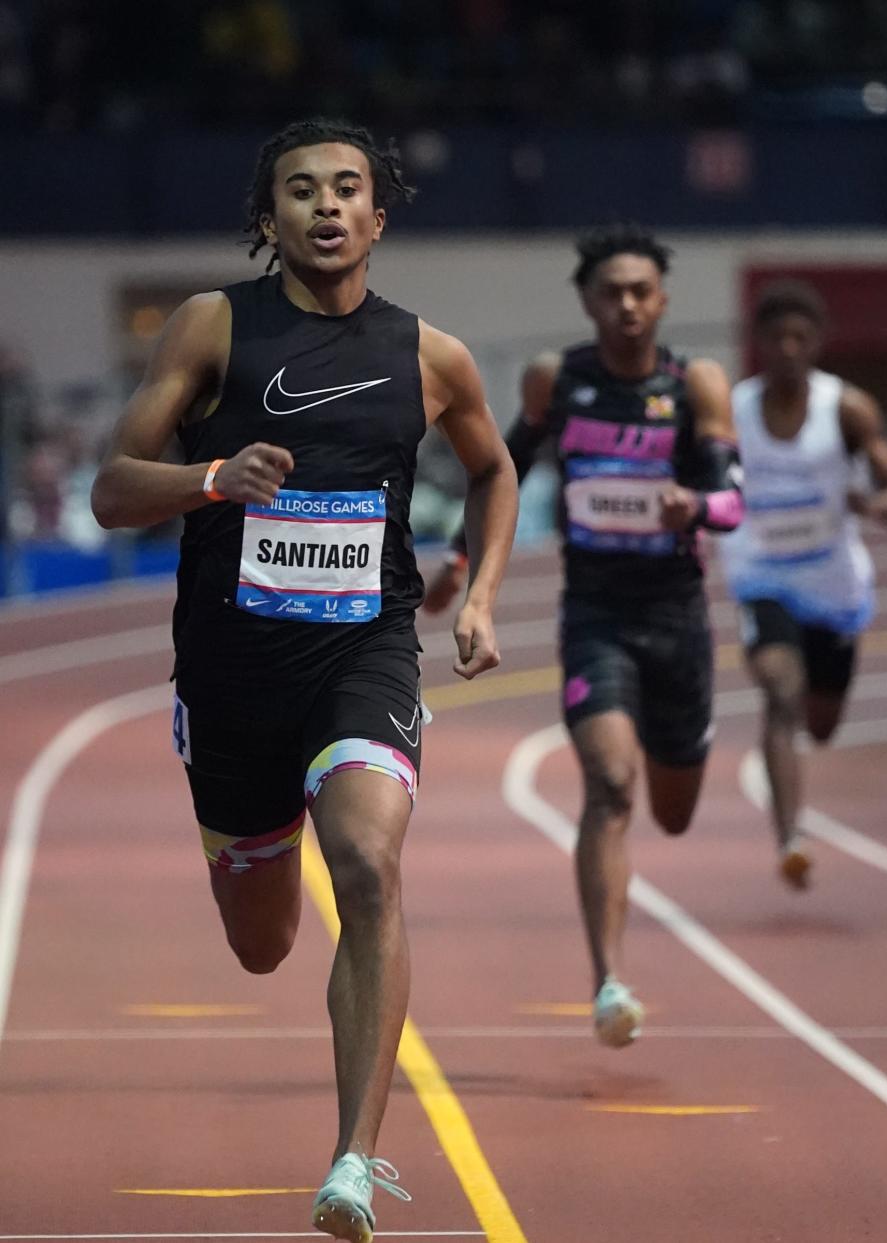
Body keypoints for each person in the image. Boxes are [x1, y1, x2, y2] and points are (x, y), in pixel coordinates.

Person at [91, 117, 518, 1243]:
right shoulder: (213, 327)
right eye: (299, 190)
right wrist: (215, 476)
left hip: (362, 647)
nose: (325, 206)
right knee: (262, 941)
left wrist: (476, 594)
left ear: (378, 216)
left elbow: (493, 467)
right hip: (233, 671)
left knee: (370, 867)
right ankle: (249, 845)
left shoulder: (431, 357)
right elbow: (112, 492)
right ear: (267, 219)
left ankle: (353, 1158)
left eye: (346, 189)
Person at [424, 225, 742, 1049]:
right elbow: (505, 467)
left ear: (662, 300)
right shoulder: (556, 380)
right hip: (596, 616)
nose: (628, 304)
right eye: (613, 291)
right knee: (609, 783)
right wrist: (462, 557)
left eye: (642, 291)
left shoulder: (697, 383)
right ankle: (607, 980)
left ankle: (615, 955)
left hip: (677, 621)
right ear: (588, 301)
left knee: (671, 811)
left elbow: (733, 499)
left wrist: (694, 508)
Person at [717, 281, 887, 888]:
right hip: (762, 575)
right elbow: (705, 479)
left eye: (801, 337)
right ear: (759, 345)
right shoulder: (733, 411)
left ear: (818, 343)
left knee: (821, 722)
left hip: (833, 583)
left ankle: (794, 811)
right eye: (777, 337)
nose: (789, 348)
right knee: (779, 691)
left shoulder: (847, 409)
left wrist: (881, 506)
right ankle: (790, 838)